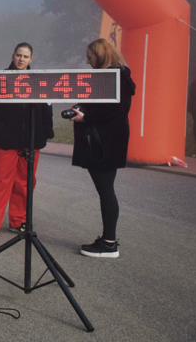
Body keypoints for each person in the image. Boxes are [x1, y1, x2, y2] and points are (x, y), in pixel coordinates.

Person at [0, 43, 54, 237]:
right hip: (5, 141)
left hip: (31, 141)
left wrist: (44, 133)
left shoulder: (38, 81)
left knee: (25, 183)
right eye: (18, 55)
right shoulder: (0, 79)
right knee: (0, 181)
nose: (21, 59)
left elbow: (46, 110)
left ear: (31, 60)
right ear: (13, 56)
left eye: (25, 56)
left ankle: (19, 222)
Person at [70, 38, 135, 258]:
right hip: (104, 141)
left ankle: (109, 244)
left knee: (106, 190)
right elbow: (104, 106)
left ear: (101, 55)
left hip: (106, 143)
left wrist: (86, 116)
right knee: (105, 190)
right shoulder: (111, 76)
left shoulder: (117, 78)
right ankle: (108, 240)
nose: (87, 61)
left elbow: (116, 111)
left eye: (90, 57)